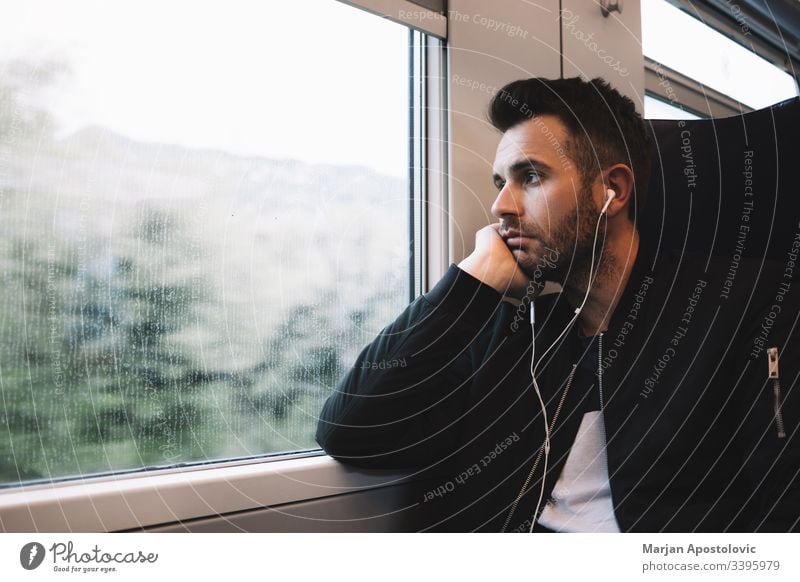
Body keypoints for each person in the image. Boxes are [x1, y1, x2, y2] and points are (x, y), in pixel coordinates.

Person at [315, 77, 799, 532]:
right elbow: (352, 433)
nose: (501, 206)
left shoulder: (737, 310)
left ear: (613, 191)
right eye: (499, 183)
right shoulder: (515, 328)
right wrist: (467, 289)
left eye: (530, 177)